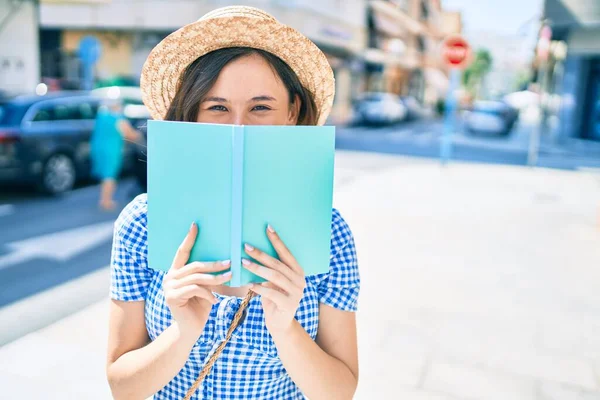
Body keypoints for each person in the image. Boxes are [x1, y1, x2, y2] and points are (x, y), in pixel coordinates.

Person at [106, 6, 360, 400]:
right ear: (190, 114)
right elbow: (122, 388)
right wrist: (182, 332)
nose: (238, 127)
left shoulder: (329, 231)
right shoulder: (141, 222)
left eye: (261, 107)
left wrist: (286, 329)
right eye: (217, 107)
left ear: (292, 112)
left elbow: (340, 392)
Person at [90, 101, 141, 211]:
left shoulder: (102, 116)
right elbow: (130, 134)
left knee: (104, 175)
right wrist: (140, 134)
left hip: (98, 148)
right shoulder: (119, 119)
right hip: (111, 149)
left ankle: (103, 198)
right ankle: (106, 201)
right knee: (110, 175)